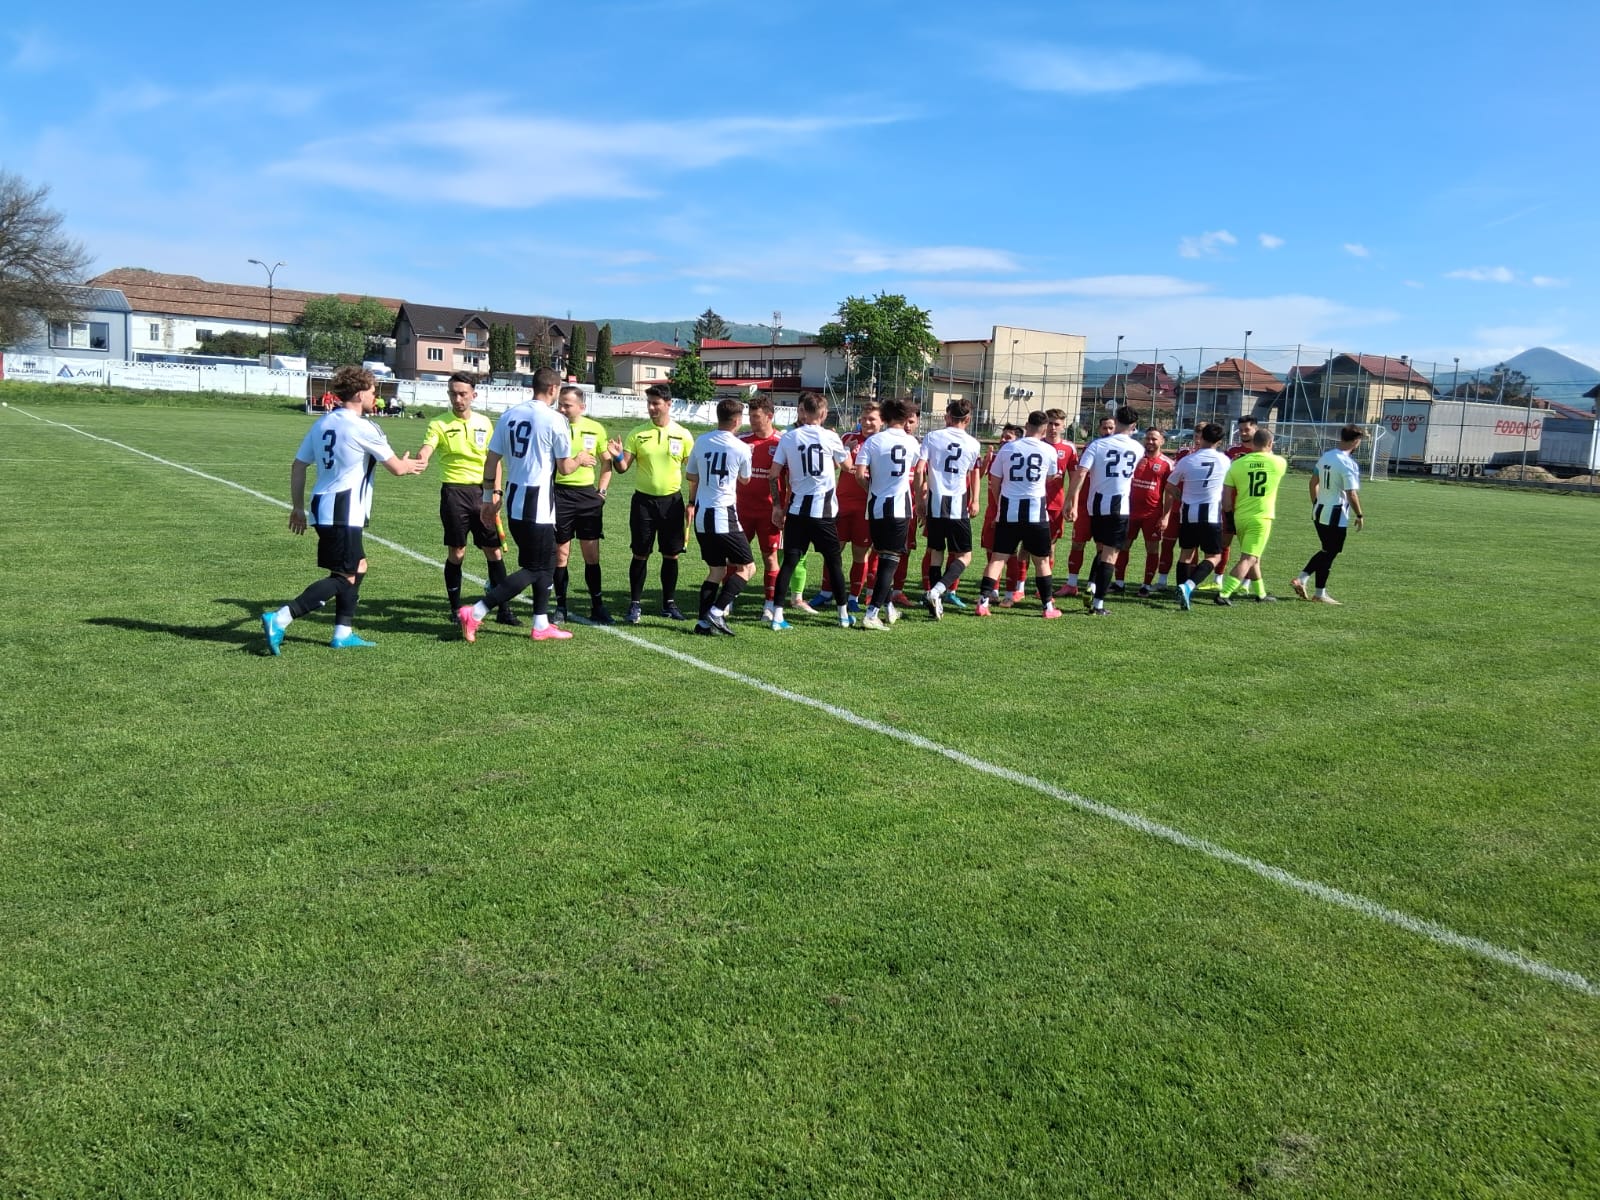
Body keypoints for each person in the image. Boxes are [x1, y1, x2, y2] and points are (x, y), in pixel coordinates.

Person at [261, 365, 424, 654]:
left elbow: (298, 465)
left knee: (358, 566)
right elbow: (398, 469)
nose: (375, 397)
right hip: (344, 509)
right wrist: (411, 465)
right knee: (344, 577)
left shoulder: (323, 423)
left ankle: (342, 632)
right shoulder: (364, 427)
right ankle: (281, 618)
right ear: (359, 394)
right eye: (372, 391)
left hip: (323, 506)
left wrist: (297, 507)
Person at [456, 367, 587, 642]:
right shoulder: (555, 419)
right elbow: (565, 468)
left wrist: (488, 499)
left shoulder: (509, 415)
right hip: (537, 502)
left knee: (546, 563)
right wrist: (581, 459)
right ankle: (477, 611)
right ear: (553, 389)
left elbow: (492, 460)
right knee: (535, 569)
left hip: (515, 499)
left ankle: (540, 624)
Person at [415, 373, 518, 626]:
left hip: (483, 493)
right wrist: (422, 458)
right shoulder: (439, 423)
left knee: (493, 551)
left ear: (474, 395)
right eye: (453, 393)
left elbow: (495, 461)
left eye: (462, 394)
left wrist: (496, 493)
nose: (458, 399)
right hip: (454, 494)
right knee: (457, 552)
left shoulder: (485, 423)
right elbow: (428, 447)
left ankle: (504, 610)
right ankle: (454, 608)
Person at [607, 383, 693, 624]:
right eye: (649, 403)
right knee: (640, 553)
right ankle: (635, 604)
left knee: (671, 555)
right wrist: (617, 455)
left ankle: (669, 604)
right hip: (643, 503)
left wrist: (692, 502)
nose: (651, 408)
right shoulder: (638, 433)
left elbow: (693, 473)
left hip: (672, 503)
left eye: (656, 403)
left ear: (669, 404)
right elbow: (622, 468)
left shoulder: (683, 435)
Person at [768, 391, 852, 630]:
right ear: (824, 413)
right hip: (823, 513)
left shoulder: (788, 437)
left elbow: (773, 474)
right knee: (834, 563)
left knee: (790, 562)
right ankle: (843, 615)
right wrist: (846, 450)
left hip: (797, 511)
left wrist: (777, 505)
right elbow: (847, 466)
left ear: (803, 411)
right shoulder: (830, 437)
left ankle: (777, 616)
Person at [975, 410, 1062, 618]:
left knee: (997, 559)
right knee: (1042, 561)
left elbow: (995, 481)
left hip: (1009, 511)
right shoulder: (1049, 450)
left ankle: (983, 602)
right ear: (1044, 430)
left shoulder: (1008, 448)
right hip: (1035, 513)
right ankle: (1048, 608)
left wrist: (1000, 503)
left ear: (1026, 426)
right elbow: (1051, 476)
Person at [685, 398, 756, 635]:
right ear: (737, 421)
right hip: (723, 515)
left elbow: (691, 476)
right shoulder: (741, 447)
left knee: (716, 570)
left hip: (702, 515)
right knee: (748, 568)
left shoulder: (701, 441)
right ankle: (716, 612)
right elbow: (745, 479)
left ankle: (703, 623)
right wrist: (747, 456)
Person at [1065, 406, 1145, 616]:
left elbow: (1081, 473)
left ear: (1115, 421)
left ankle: (1092, 585)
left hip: (1096, 506)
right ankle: (1098, 604)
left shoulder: (1097, 445)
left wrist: (1070, 500)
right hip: (1120, 507)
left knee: (1102, 550)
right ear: (1134, 426)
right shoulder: (1138, 448)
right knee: (1110, 556)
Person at [852, 396, 922, 630]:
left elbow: (859, 474)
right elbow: (917, 471)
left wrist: (873, 489)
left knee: (882, 556)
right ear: (904, 417)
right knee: (889, 562)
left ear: (884, 416)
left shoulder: (873, 441)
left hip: (876, 506)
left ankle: (888, 607)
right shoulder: (912, 442)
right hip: (899, 507)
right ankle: (872, 614)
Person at [917, 397, 983, 620]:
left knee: (936, 552)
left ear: (947, 416)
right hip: (956, 504)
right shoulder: (973, 443)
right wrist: (975, 500)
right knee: (965, 555)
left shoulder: (932, 437)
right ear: (968, 419)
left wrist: (920, 501)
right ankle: (936, 592)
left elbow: (920, 469)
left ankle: (934, 600)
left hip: (935, 502)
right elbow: (974, 473)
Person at [553, 385, 614, 624]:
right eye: (560, 404)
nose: (562, 408)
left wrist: (601, 492)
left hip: (588, 498)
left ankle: (597, 606)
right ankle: (560, 607)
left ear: (581, 407)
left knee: (591, 554)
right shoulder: (553, 425)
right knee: (561, 554)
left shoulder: (595, 428)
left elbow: (606, 463)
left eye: (567, 405)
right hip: (559, 495)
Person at [1293, 425, 1366, 605]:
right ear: (1356, 441)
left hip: (1319, 511)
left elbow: (1313, 482)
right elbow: (1351, 493)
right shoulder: (1348, 463)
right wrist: (1359, 515)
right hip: (1336, 513)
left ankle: (1317, 591)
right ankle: (1305, 581)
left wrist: (1316, 503)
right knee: (1330, 552)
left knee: (1327, 551)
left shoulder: (1327, 455)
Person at [1217, 427, 1289, 605]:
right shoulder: (1279, 463)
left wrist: (1229, 518)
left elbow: (1226, 499)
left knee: (1254, 556)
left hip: (1240, 517)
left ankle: (1261, 594)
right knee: (1249, 558)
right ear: (1270, 443)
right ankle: (1224, 594)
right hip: (1261, 518)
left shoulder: (1237, 464)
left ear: (1252, 443)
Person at [737, 394, 792, 623]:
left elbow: (789, 480)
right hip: (741, 509)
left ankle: (769, 604)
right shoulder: (741, 440)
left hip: (769, 511)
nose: (751, 420)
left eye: (756, 416)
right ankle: (729, 599)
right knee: (735, 556)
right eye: (750, 416)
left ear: (769, 416)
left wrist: (784, 508)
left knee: (770, 557)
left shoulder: (782, 442)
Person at [1164, 423, 1230, 611]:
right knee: (1214, 556)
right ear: (1219, 441)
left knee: (1186, 554)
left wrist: (1180, 496)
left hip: (1188, 513)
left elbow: (1169, 485)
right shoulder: (1225, 461)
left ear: (1202, 437)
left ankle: (1181, 591)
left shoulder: (1187, 460)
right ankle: (1188, 586)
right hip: (1210, 514)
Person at [827, 401, 881, 610]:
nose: (867, 423)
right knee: (833, 551)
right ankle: (826, 592)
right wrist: (844, 450)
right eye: (864, 419)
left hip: (865, 508)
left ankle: (853, 597)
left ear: (882, 421)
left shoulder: (883, 443)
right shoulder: (848, 438)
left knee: (860, 553)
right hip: (841, 504)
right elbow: (833, 465)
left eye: (872, 419)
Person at [1059, 415, 1116, 597]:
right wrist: (1073, 503)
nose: (1108, 432)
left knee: (1102, 547)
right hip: (1084, 505)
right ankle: (1071, 584)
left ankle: (1093, 583)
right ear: (1099, 429)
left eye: (1111, 428)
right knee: (1077, 544)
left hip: (1104, 505)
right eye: (1105, 428)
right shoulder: (1092, 447)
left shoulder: (1121, 450)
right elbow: (1079, 475)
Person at [1116, 427, 1174, 596]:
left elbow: (1170, 493)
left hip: (1152, 514)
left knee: (1152, 549)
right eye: (1147, 438)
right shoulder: (1135, 459)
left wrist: (1166, 516)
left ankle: (1146, 585)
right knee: (1123, 546)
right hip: (1130, 511)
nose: (1150, 442)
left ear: (1162, 441)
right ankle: (1119, 583)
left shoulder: (1167, 464)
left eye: (1154, 439)